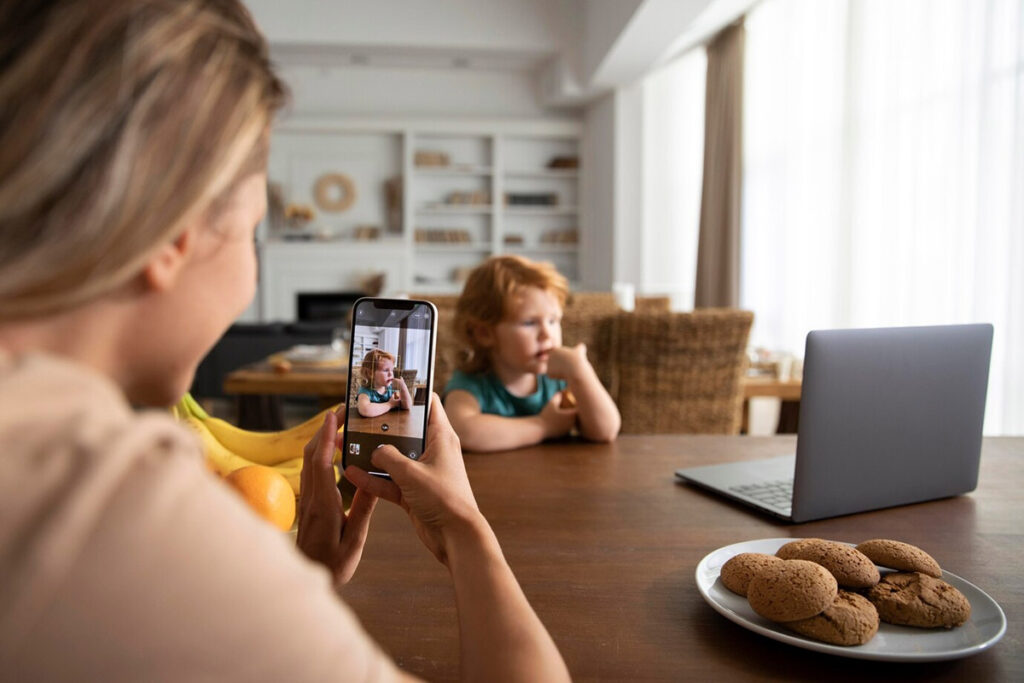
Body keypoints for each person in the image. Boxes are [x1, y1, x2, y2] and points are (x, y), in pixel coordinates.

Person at [0, 2, 570, 681]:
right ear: (169, 234)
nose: (250, 270)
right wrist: (468, 534)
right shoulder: (111, 503)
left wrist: (300, 592)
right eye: (253, 232)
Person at [444, 255, 621, 452]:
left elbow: (605, 431)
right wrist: (543, 425)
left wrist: (581, 372)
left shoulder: (560, 379)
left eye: (553, 321)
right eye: (529, 323)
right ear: (484, 333)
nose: (547, 334)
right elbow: (463, 432)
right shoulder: (472, 382)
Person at [356, 348, 412, 417]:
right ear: (371, 373)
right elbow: (365, 410)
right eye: (386, 370)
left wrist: (403, 387)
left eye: (392, 370)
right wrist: (390, 404)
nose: (391, 374)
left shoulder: (391, 388)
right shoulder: (365, 391)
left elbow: (407, 406)